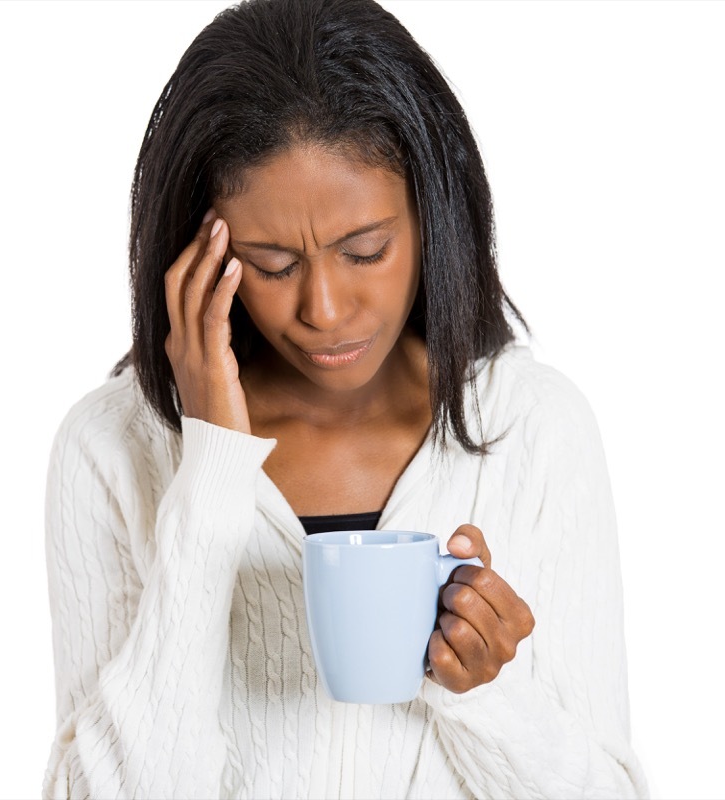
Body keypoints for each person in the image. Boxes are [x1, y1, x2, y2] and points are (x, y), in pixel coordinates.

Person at [42, 0, 648, 797]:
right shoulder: (110, 448)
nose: (323, 310)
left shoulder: (533, 427)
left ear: (433, 218)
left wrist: (486, 693)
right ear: (200, 247)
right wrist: (213, 476)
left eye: (364, 251)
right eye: (271, 262)